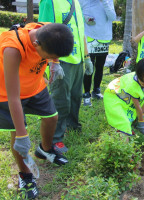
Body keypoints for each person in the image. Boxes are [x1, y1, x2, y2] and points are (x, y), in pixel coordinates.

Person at [0, 23, 72, 199]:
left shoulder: (48, 30)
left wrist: (54, 63)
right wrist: (22, 136)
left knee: (52, 117)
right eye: (51, 57)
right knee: (17, 135)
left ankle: (45, 149)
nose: (52, 59)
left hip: (35, 85)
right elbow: (13, 97)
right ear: (36, 45)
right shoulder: (13, 49)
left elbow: (54, 48)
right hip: (6, 93)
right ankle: (25, 175)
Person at [39, 0, 93, 154]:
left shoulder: (75, 2)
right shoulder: (49, 2)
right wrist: (52, 62)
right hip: (60, 60)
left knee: (76, 97)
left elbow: (80, 30)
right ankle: (55, 139)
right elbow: (43, 32)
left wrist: (87, 56)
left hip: (78, 59)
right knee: (61, 100)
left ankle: (72, 126)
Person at [103, 57, 144, 136]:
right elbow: (137, 106)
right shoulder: (132, 85)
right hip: (114, 95)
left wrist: (140, 118)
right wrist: (141, 121)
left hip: (125, 97)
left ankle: (123, 132)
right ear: (138, 73)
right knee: (123, 123)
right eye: (142, 79)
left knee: (128, 118)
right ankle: (124, 143)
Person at [79, 0, 117, 106]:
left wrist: (104, 2)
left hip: (104, 38)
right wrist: (85, 18)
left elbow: (112, 17)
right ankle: (86, 94)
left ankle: (96, 90)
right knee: (89, 66)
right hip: (89, 37)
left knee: (100, 66)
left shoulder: (108, 1)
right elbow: (77, 12)